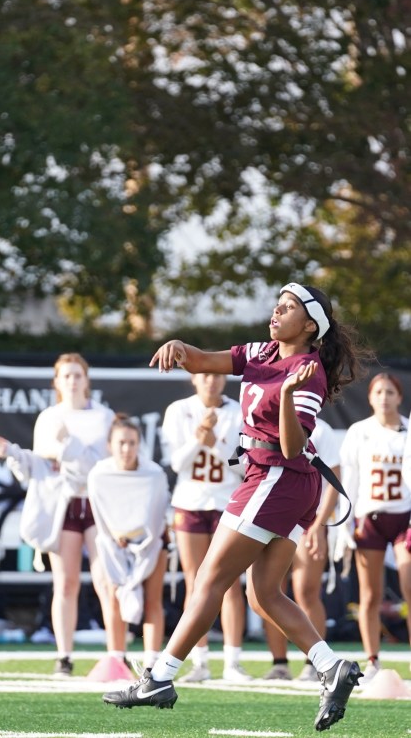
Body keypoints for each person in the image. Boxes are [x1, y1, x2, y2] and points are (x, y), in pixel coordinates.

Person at [103, 282, 368, 732]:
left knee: (209, 577)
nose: (276, 312)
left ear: (308, 327)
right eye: (277, 305)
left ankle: (160, 676)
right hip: (275, 480)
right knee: (262, 593)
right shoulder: (264, 352)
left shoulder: (308, 370)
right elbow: (205, 360)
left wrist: (285, 394)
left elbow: (290, 445)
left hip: (277, 477)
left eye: (287, 309)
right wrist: (179, 347)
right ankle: (331, 667)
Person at [0, 352, 114, 676]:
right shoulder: (48, 418)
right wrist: (13, 456)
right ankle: (64, 656)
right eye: (66, 376)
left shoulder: (103, 417)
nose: (73, 381)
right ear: (56, 382)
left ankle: (116, 654)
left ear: (87, 380)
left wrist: (69, 444)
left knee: (106, 580)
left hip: (97, 503)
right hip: (63, 505)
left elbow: (100, 466)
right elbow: (40, 468)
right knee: (66, 582)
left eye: (78, 375)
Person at [161, 372, 251, 683]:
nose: (211, 380)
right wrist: (199, 440)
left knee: (228, 582)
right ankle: (199, 661)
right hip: (189, 502)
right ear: (194, 380)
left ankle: (232, 662)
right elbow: (177, 464)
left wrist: (216, 443)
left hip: (228, 503)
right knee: (194, 581)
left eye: (216, 374)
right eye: (204, 375)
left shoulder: (239, 411)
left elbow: (244, 465)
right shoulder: (178, 410)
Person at [336, 373, 411, 683]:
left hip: (404, 518)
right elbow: (349, 481)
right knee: (370, 595)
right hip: (370, 518)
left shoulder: (408, 430)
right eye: (378, 391)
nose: (384, 397)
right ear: (369, 397)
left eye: (389, 391)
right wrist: (344, 522)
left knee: (409, 587)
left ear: (399, 396)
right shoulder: (359, 432)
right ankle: (373, 660)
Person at [261, 417, 341, 682]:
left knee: (307, 591)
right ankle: (279, 662)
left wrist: (319, 525)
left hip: (306, 519)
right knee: (267, 590)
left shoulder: (323, 428)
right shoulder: (266, 421)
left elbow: (334, 478)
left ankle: (313, 663)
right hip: (274, 513)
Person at [88, 414, 170, 671]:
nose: (127, 449)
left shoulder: (154, 473)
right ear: (110, 445)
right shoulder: (99, 474)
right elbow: (99, 513)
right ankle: (117, 657)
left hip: (151, 544)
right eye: (121, 442)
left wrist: (143, 540)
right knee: (113, 597)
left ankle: (151, 663)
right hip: (113, 545)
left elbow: (158, 512)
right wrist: (116, 538)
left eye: (132, 442)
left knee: (153, 599)